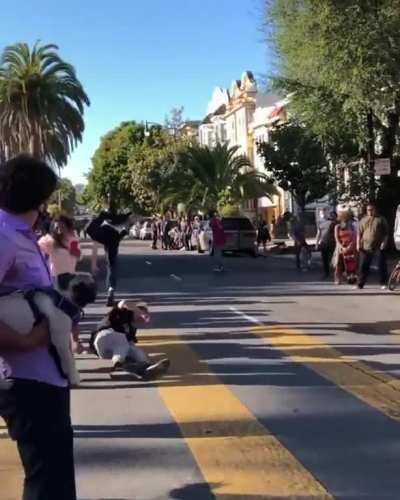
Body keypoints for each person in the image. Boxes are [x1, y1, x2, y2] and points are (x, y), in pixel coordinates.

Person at [0, 155, 77, 500]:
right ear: (40, 199)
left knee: (55, 477)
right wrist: (27, 339)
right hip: (27, 379)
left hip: (46, 375)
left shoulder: (21, 234)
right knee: (48, 482)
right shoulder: (4, 236)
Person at [38, 215, 83, 354]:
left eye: (61, 226)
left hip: (70, 277)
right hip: (54, 278)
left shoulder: (72, 239)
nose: (58, 228)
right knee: (58, 311)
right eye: (56, 226)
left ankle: (74, 342)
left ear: (67, 227)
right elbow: (37, 251)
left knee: (73, 310)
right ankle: (59, 343)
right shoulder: (48, 241)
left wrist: (73, 250)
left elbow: (78, 256)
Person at [87, 204, 131, 306]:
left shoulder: (105, 225)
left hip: (109, 240)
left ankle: (110, 290)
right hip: (111, 241)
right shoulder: (113, 223)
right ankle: (111, 290)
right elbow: (120, 233)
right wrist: (124, 231)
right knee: (111, 267)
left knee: (111, 266)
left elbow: (92, 233)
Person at [357, 202, 389, 290]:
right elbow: (359, 233)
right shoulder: (363, 220)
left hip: (378, 246)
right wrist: (357, 244)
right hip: (365, 246)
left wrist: (384, 242)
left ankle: (383, 283)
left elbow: (386, 233)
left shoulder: (381, 219)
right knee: (363, 266)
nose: (370, 211)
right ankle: (360, 284)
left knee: (381, 265)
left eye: (371, 210)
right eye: (368, 210)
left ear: (375, 210)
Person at [333, 209, 357, 285]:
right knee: (339, 263)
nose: (345, 220)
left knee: (350, 263)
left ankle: (351, 277)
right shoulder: (337, 227)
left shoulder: (352, 226)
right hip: (340, 247)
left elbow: (354, 237)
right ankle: (338, 278)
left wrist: (350, 245)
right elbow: (336, 238)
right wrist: (341, 247)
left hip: (350, 247)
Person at [315, 208, 336, 278]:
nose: (324, 214)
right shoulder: (321, 223)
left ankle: (334, 273)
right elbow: (318, 233)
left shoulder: (333, 223)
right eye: (322, 213)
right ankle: (326, 273)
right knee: (324, 259)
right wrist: (317, 243)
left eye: (325, 213)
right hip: (323, 243)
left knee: (332, 259)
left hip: (332, 243)